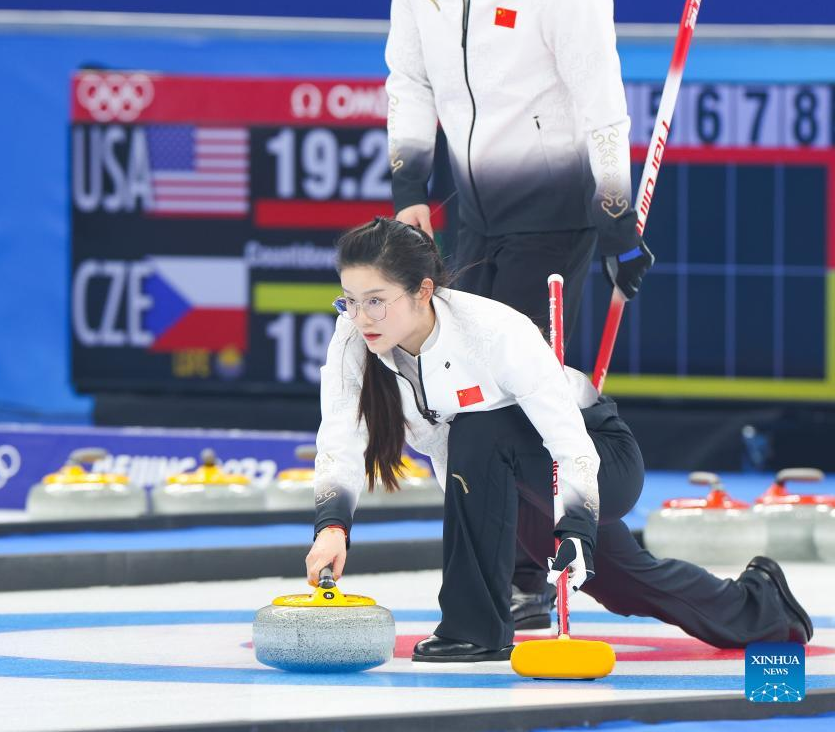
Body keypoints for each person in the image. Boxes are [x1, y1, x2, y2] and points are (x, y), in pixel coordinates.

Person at [306, 218, 813, 663]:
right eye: (350, 300)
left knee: (479, 425)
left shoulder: (493, 332)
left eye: (376, 301)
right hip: (507, 472)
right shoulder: (353, 341)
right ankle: (760, 606)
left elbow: (569, 441)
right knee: (623, 584)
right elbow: (340, 437)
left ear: (423, 290)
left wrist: (577, 527)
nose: (360, 317)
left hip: (597, 457)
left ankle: (474, 629)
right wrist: (332, 526)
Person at [385, 0, 654, 626]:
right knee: (458, 383)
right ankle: (503, 561)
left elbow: (602, 112)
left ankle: (530, 570)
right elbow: (408, 80)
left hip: (553, 217)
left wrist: (617, 223)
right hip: (469, 212)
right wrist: (409, 186)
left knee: (512, 388)